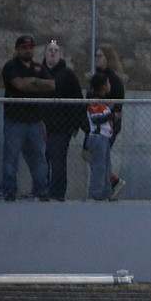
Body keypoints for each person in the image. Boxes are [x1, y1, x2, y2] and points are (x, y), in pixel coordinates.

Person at [0, 35, 55, 201]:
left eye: (30, 47)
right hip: (15, 121)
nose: (28, 50)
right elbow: (19, 84)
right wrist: (37, 84)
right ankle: (8, 190)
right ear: (17, 49)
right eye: (24, 47)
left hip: (35, 121)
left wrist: (32, 82)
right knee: (11, 157)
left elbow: (51, 85)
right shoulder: (11, 66)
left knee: (39, 157)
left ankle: (41, 191)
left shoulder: (38, 67)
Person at [40, 40, 84, 203]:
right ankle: (41, 190)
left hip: (61, 128)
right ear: (44, 53)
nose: (52, 52)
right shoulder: (39, 72)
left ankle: (57, 193)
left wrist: (75, 125)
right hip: (40, 125)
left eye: (56, 50)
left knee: (58, 161)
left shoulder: (68, 74)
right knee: (41, 160)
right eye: (50, 50)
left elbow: (78, 100)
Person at [90, 43, 127, 200]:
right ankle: (110, 184)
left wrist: (110, 114)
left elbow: (115, 106)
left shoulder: (113, 80)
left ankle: (105, 188)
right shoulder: (96, 78)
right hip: (95, 124)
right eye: (96, 56)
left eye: (100, 56)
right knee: (96, 157)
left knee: (100, 158)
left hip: (107, 126)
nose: (97, 59)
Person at [84, 72, 116, 202]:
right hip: (97, 138)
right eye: (107, 83)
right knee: (99, 166)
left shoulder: (102, 102)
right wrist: (111, 114)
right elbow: (96, 119)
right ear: (103, 86)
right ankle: (96, 193)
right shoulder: (95, 101)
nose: (110, 85)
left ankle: (106, 192)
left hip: (104, 138)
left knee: (106, 166)